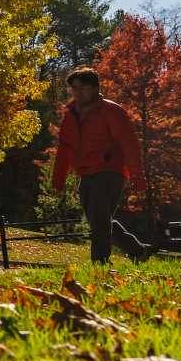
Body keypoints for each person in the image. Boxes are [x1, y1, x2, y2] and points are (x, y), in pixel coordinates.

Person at [52, 67, 153, 263]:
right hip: (85, 172)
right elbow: (64, 148)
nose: (77, 93)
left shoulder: (111, 111)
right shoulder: (70, 114)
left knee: (99, 220)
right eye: (74, 89)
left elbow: (129, 145)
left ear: (96, 88)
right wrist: (58, 179)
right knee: (99, 219)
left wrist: (137, 177)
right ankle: (138, 250)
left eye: (82, 88)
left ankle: (100, 262)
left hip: (109, 171)